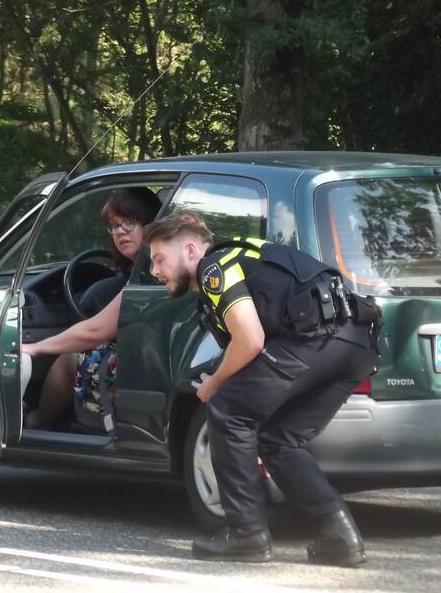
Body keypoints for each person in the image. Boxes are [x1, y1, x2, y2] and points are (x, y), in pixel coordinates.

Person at [144, 212, 381, 567]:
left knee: (227, 409)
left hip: (313, 337)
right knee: (278, 439)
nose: (154, 271)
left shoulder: (213, 268)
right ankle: (340, 538)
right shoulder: (245, 255)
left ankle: (247, 533)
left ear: (190, 250)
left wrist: (214, 384)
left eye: (159, 259)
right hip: (356, 343)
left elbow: (251, 340)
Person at [21, 187, 161, 430]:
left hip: (148, 366)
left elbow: (95, 331)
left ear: (149, 223)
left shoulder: (153, 271)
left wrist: (35, 347)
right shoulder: (145, 269)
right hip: (153, 359)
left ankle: (39, 422)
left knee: (71, 358)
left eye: (129, 222)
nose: (120, 231)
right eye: (114, 226)